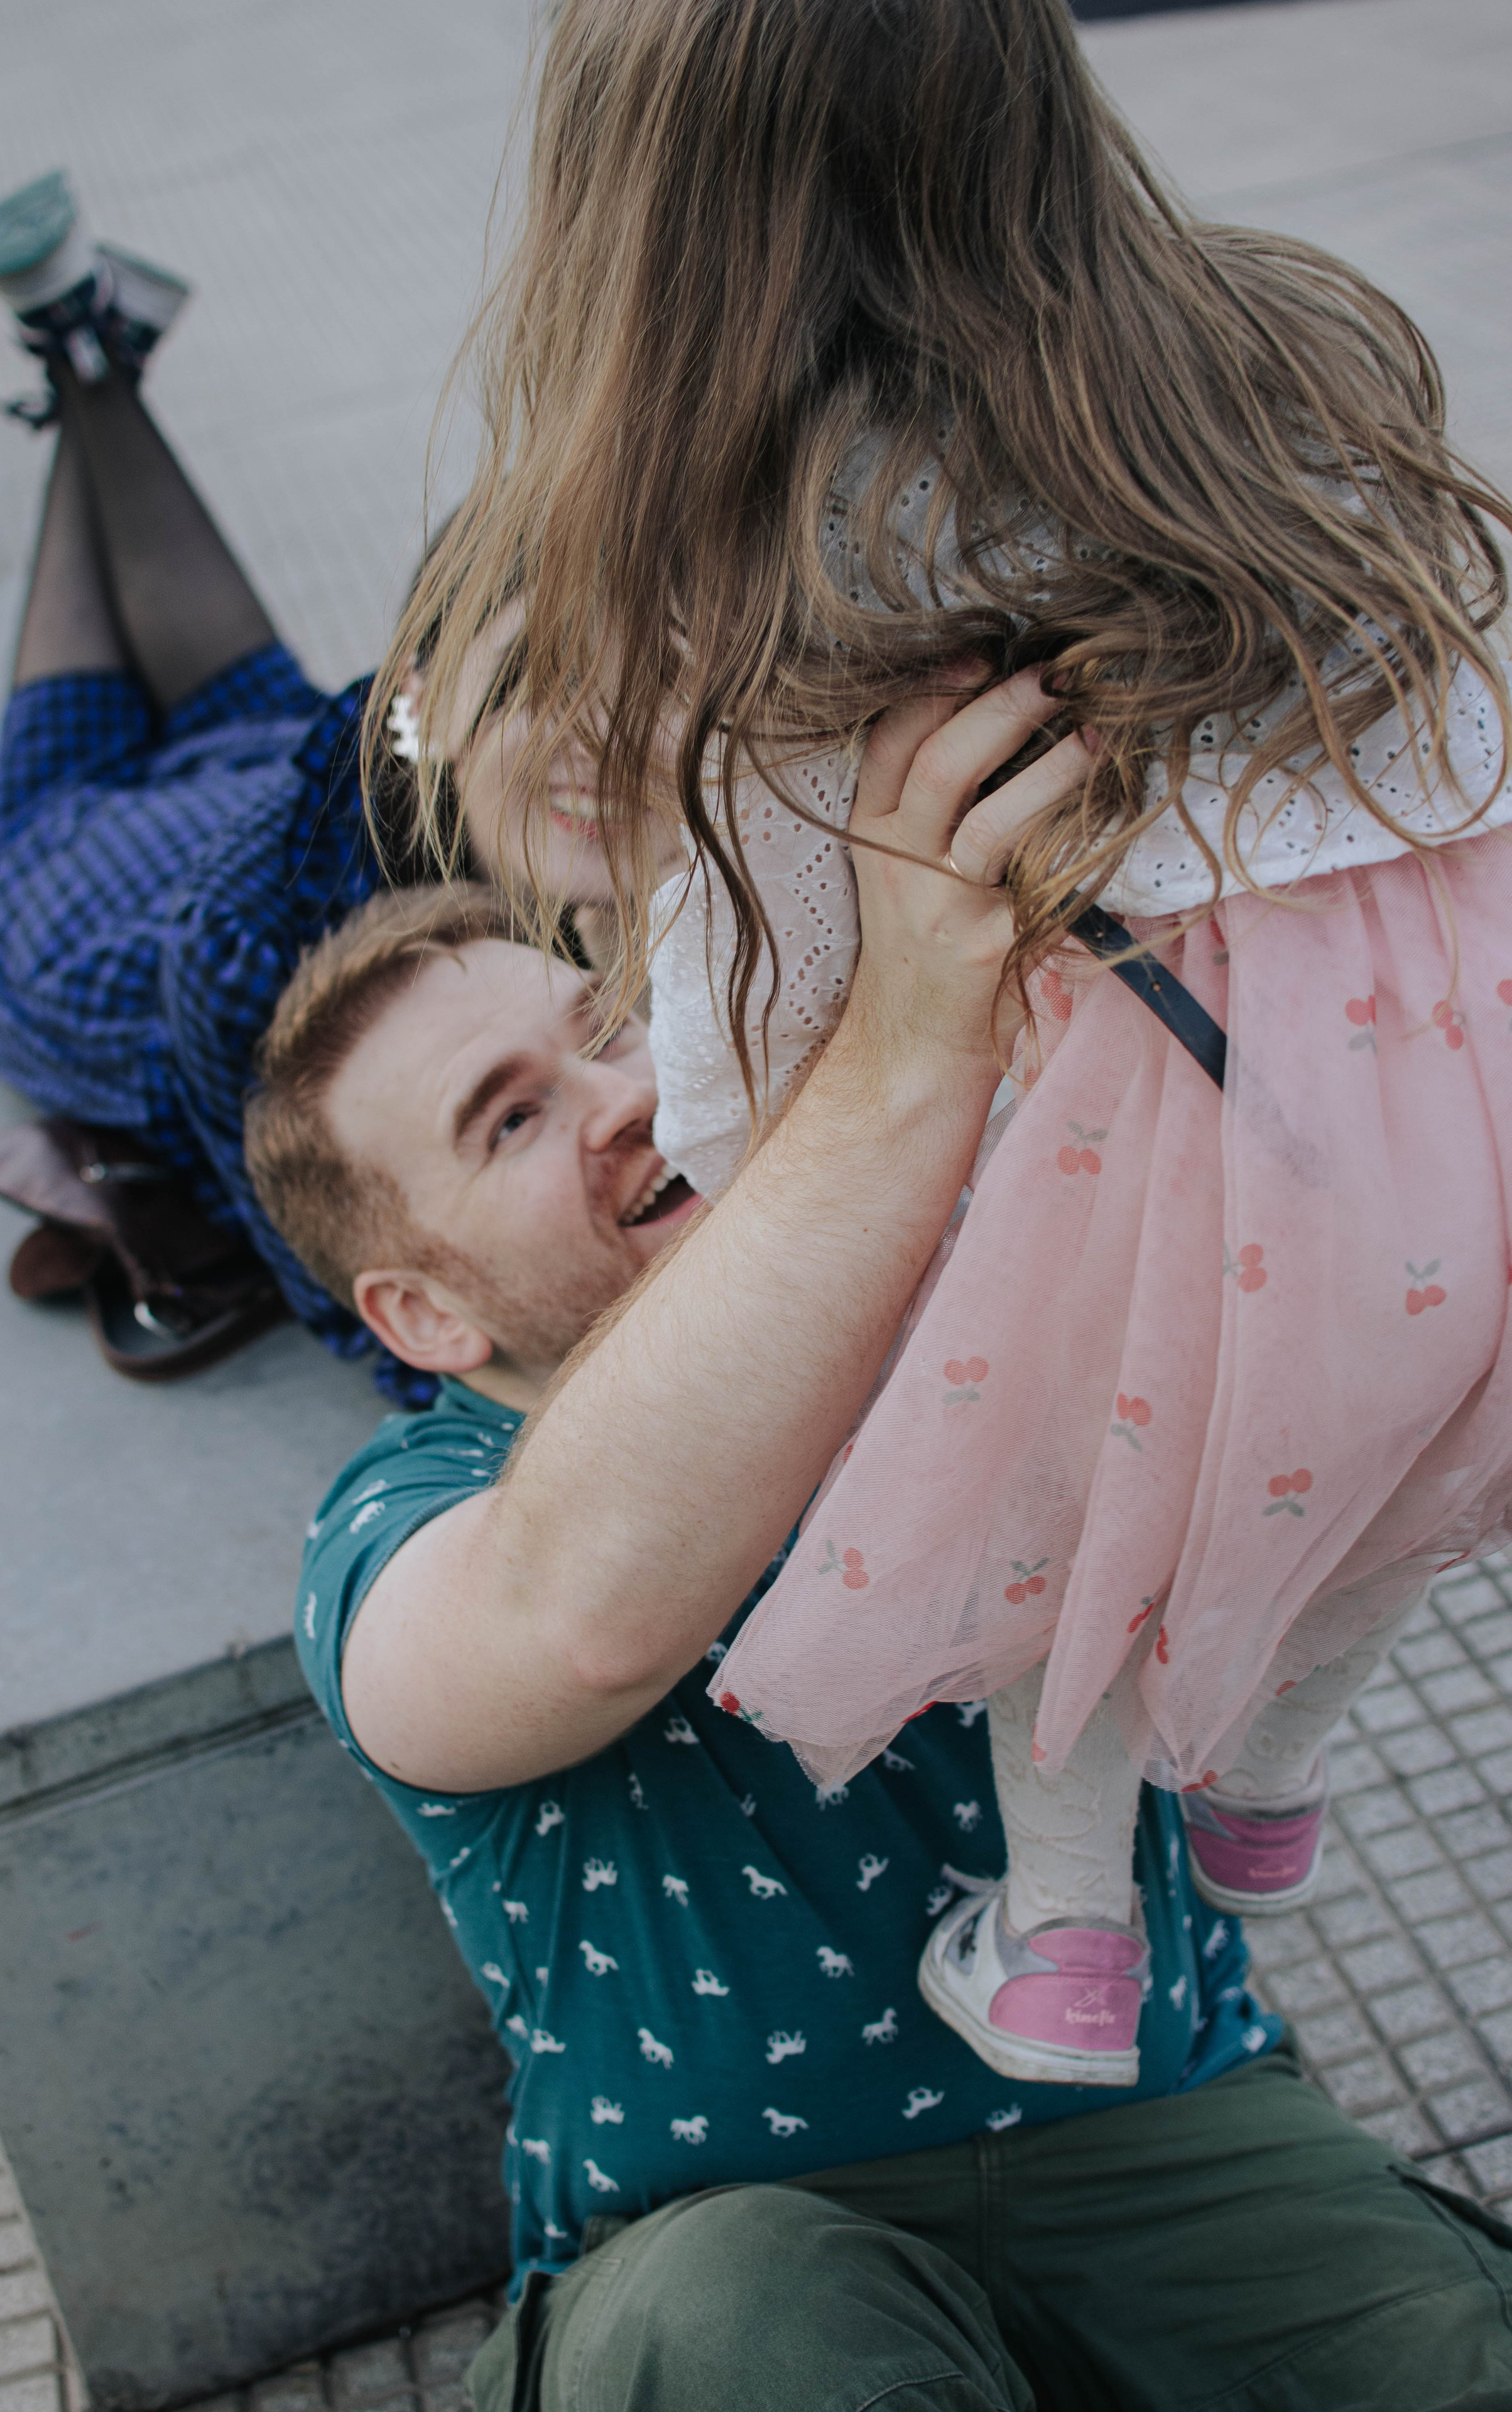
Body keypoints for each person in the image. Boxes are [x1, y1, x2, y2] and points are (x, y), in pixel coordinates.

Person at [377, 0, 1512, 2083]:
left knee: (1054, 1510)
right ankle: (1265, 1778)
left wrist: (735, 1151)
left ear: (637, 234)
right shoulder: (1284, 358)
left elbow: (784, 986)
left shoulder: (781, 571)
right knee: (1385, 1438)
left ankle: (1072, 1944)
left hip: (1135, 1140)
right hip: (1459, 1078)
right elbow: (1461, 735)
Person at [254, 685, 1512, 2411]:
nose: (621, 1095)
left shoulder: (992, 1262)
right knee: (761, 2322)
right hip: (718, 2233)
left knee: (1453, 2351)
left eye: (610, 1021)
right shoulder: (401, 1520)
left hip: (1168, 2128)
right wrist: (902, 1040)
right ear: (421, 1310)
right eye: (512, 1118)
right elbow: (573, 1627)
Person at [0, 173, 656, 1399]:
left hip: (269, 761)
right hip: (84, 905)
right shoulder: (242, 948)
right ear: (421, 693)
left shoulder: (423, 735)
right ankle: (82, 360)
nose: (596, 731)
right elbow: (323, 1259)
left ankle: (78, 348)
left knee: (228, 677)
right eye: (536, 677)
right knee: (72, 692)